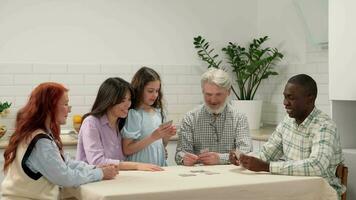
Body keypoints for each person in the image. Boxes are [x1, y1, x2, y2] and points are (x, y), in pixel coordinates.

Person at [230, 74, 344, 197]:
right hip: (293, 188)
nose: (285, 103)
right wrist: (243, 158)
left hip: (321, 193)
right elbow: (267, 153)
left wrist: (268, 167)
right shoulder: (287, 121)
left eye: (291, 98)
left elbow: (317, 165)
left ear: (309, 99)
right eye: (284, 97)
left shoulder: (325, 126)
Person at [1, 82, 117, 200]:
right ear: (50, 106)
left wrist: (95, 168)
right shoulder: (41, 142)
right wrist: (100, 174)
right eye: (66, 104)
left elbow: (65, 163)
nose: (69, 110)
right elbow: (64, 177)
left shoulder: (37, 133)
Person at [76, 77, 163, 171]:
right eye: (122, 101)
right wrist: (136, 166)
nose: (128, 104)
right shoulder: (91, 123)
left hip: (113, 179)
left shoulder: (120, 122)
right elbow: (97, 161)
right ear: (108, 100)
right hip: (91, 181)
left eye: (129, 99)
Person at [175, 68, 252, 166]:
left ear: (228, 92)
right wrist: (184, 159)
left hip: (231, 176)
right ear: (203, 91)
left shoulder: (239, 118)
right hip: (199, 176)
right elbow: (180, 153)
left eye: (218, 94)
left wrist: (221, 159)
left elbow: (246, 152)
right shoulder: (190, 118)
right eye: (208, 94)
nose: (213, 100)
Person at [122, 67, 176, 166]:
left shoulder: (158, 112)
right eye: (150, 91)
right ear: (139, 89)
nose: (155, 95)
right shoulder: (134, 114)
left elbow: (161, 145)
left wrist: (167, 135)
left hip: (158, 165)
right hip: (141, 167)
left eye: (157, 91)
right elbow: (127, 149)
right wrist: (153, 137)